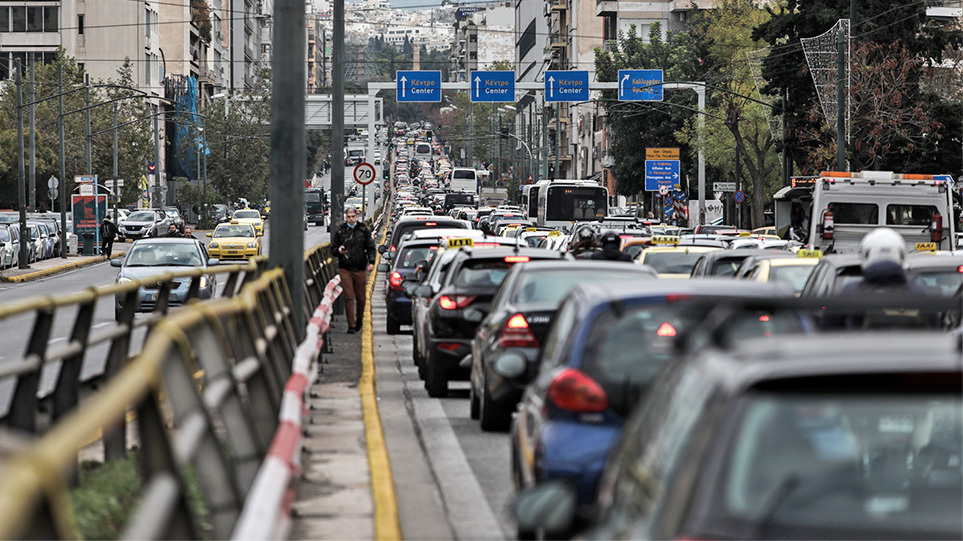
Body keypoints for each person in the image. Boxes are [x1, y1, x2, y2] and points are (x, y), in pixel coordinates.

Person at [332, 206, 376, 334]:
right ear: (346, 218)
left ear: (356, 217)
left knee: (361, 298)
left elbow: (371, 247)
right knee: (348, 296)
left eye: (353, 217)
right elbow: (333, 249)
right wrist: (339, 250)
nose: (351, 219)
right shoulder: (340, 232)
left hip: (360, 268)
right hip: (345, 268)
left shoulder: (363, 230)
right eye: (348, 217)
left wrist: (371, 262)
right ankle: (351, 324)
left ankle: (359, 318)